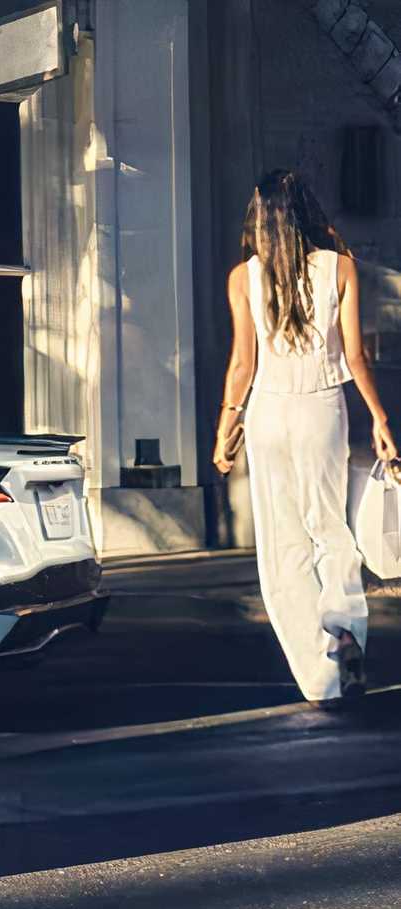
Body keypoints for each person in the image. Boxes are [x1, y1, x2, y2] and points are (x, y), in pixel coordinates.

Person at [214, 169, 394, 709]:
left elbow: (243, 363)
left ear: (261, 218)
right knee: (329, 528)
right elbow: (357, 356)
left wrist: (226, 427)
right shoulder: (341, 268)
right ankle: (344, 630)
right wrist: (381, 420)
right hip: (325, 410)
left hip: (269, 415)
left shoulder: (242, 277)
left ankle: (323, 678)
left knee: (283, 546)